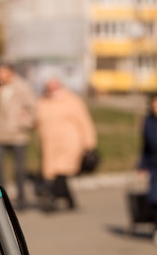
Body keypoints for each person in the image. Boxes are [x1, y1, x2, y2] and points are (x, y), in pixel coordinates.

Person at [34, 77, 97, 212]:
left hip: (69, 141)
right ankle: (68, 200)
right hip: (50, 143)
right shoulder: (43, 102)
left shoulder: (72, 101)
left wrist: (89, 142)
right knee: (55, 172)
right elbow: (36, 120)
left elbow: (84, 122)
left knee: (61, 171)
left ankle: (54, 198)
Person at [0, 62, 37, 210]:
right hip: (0, 133)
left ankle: (22, 200)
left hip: (18, 134)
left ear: (11, 73)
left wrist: (25, 122)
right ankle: (2, 197)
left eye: (5, 73)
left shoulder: (22, 87)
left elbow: (33, 107)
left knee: (19, 169)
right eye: (0, 73)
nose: (2, 76)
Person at [137, 92, 157, 247]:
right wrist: (142, 165)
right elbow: (145, 146)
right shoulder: (148, 121)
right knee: (154, 199)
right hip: (156, 165)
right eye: (155, 104)